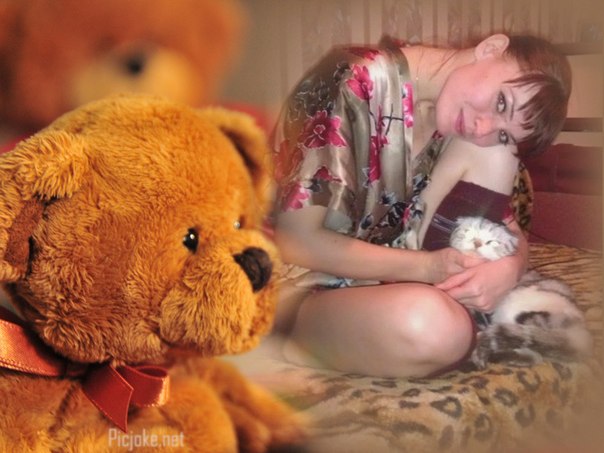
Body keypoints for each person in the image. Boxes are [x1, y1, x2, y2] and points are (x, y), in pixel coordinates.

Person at [270, 34, 571, 378]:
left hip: (383, 280)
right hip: (297, 284)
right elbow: (294, 242)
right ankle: (297, 340)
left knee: (501, 153)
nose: (483, 127)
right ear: (490, 48)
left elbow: (513, 230)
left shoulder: (454, 113)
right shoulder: (351, 79)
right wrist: (428, 268)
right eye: (502, 102)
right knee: (434, 327)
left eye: (503, 130)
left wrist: (509, 269)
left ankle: (446, 311)